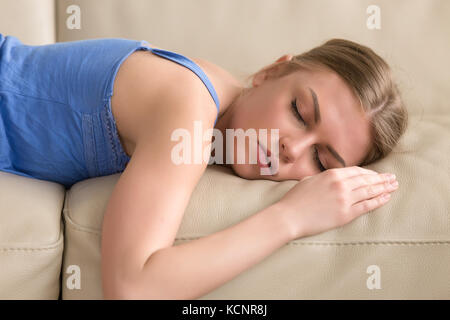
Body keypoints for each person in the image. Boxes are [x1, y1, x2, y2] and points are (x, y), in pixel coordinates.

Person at [0, 35, 408, 299]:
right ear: (271, 72)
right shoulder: (189, 107)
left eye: (320, 160)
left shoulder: (216, 121)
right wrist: (291, 217)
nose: (292, 148)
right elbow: (132, 288)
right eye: (299, 113)